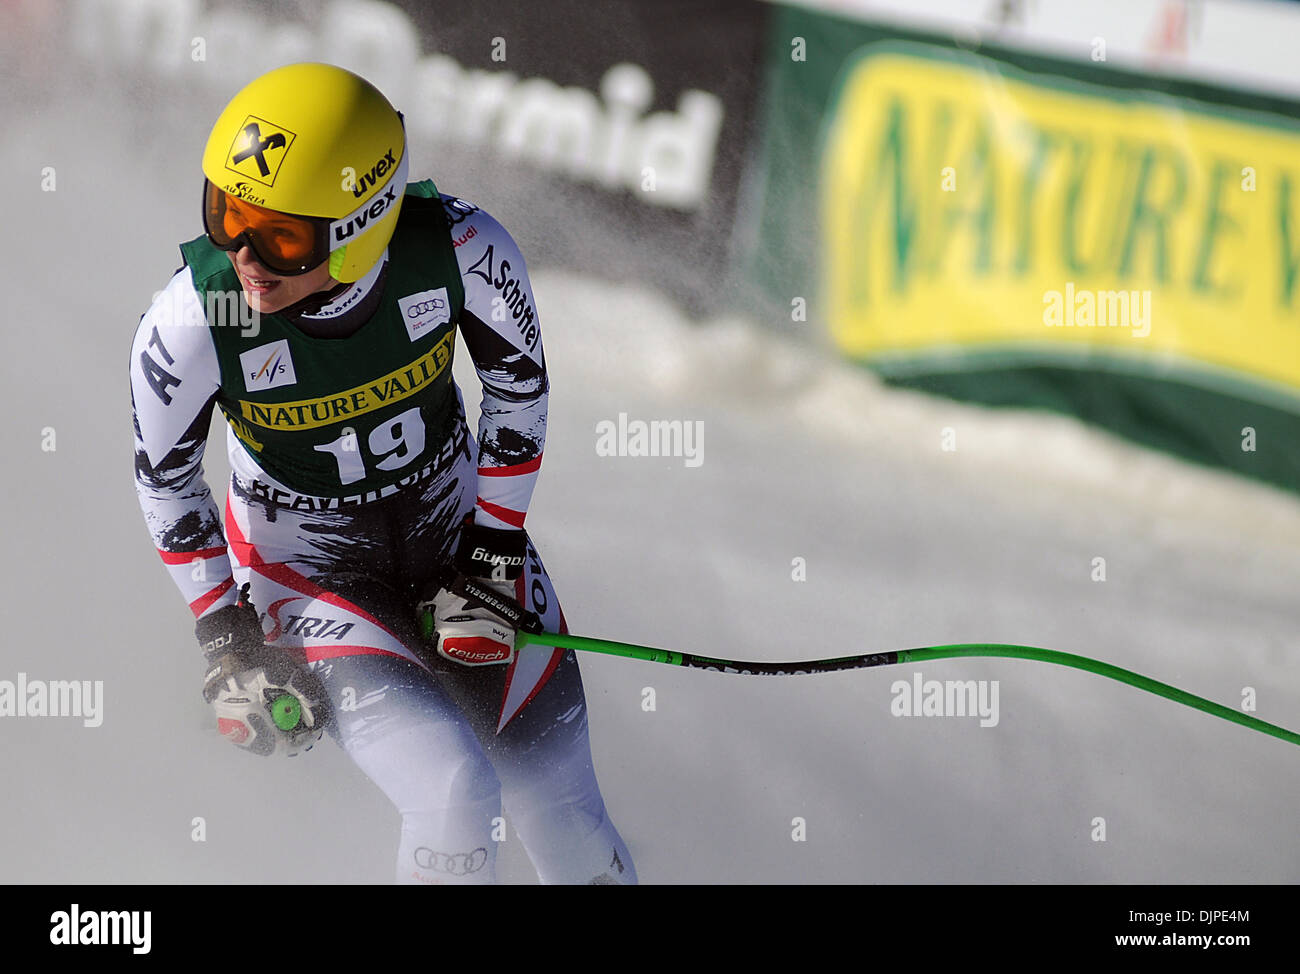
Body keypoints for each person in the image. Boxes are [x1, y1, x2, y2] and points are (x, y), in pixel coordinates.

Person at [129, 61, 636, 885]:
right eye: (227, 215)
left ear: (362, 220)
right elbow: (165, 480)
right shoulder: (194, 319)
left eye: (282, 235)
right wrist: (227, 640)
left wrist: (493, 554)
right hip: (310, 579)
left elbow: (519, 390)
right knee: (454, 793)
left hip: (461, 546)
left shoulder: (463, 249)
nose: (247, 257)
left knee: (563, 812)